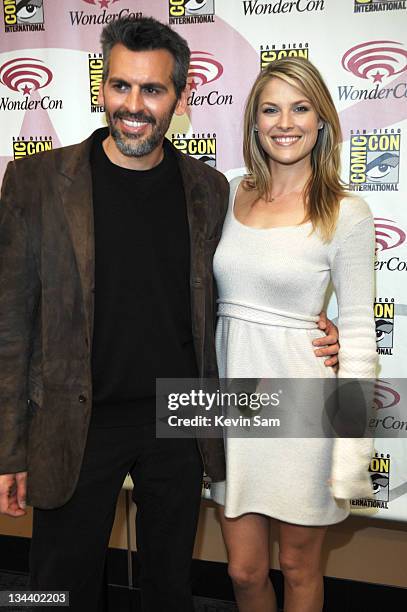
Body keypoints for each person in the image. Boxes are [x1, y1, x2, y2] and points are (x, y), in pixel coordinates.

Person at [0, 18, 339, 612]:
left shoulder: (209, 189)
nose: (134, 105)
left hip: (178, 422)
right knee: (55, 587)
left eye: (152, 90)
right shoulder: (37, 181)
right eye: (121, 86)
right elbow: (9, 325)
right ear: (102, 88)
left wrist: (312, 322)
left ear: (180, 99)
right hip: (76, 421)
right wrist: (8, 448)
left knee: (168, 588)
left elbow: (251, 278)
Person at [210, 57, 377, 612]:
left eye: (301, 107)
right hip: (231, 404)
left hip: (304, 409)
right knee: (242, 571)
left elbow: (356, 337)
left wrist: (352, 452)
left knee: (300, 567)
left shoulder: (347, 212)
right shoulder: (227, 192)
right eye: (271, 108)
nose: (286, 122)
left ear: (322, 119)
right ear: (254, 122)